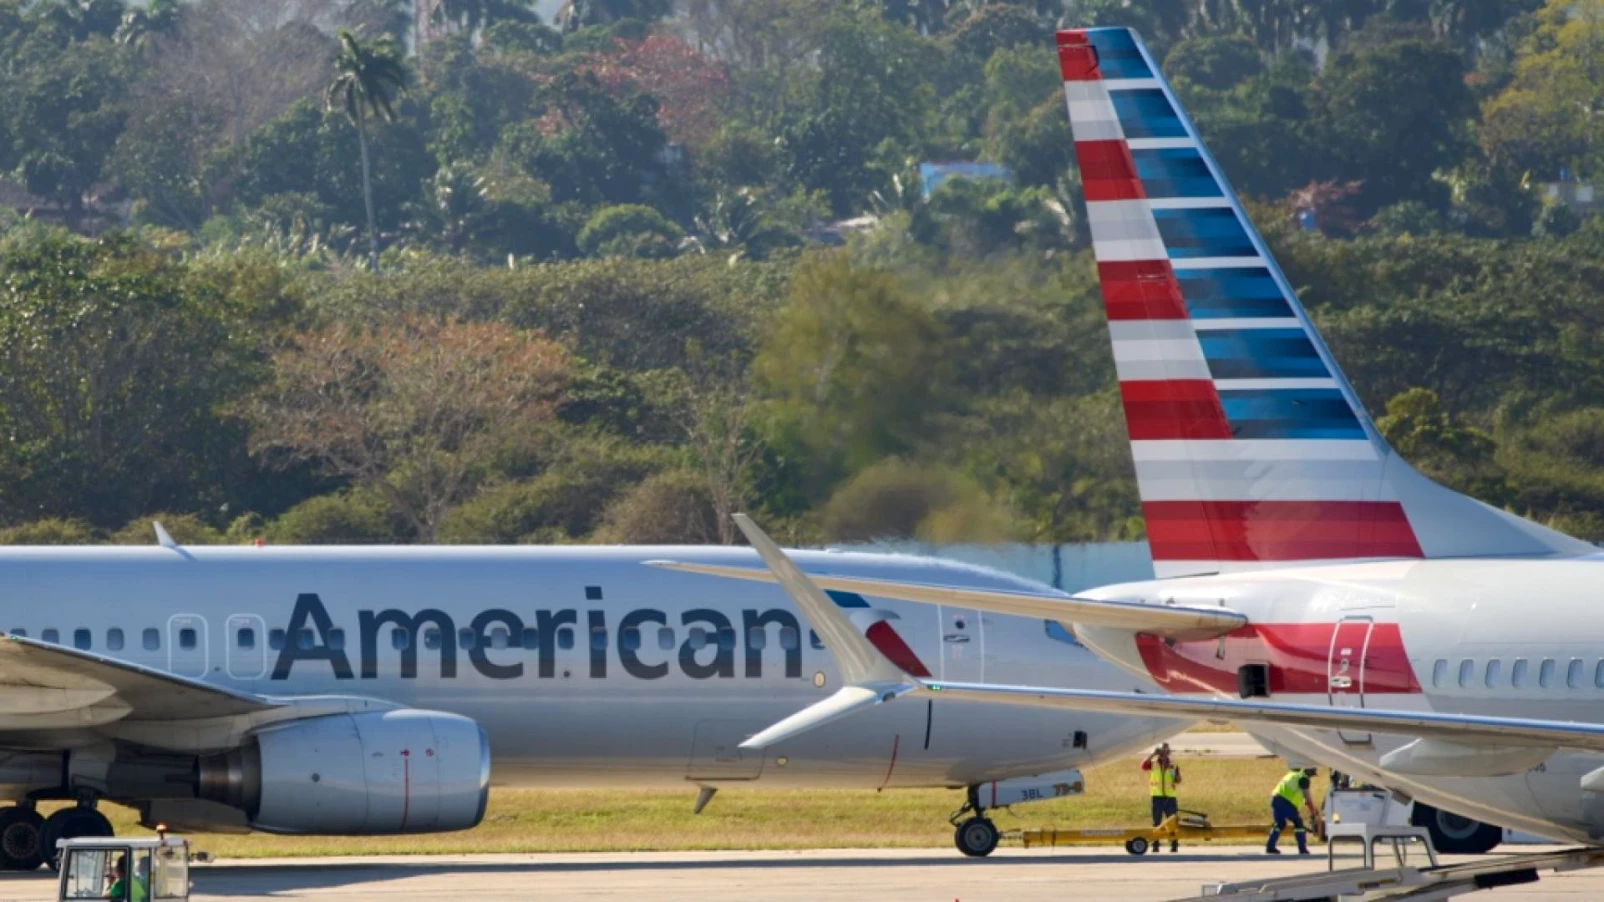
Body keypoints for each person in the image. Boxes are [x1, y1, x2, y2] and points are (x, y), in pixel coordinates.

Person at [1267, 766, 1321, 855]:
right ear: (1308, 772)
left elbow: (1300, 795)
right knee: (1298, 822)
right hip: (1285, 801)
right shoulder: (1303, 779)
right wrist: (1313, 812)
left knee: (1280, 824)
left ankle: (1270, 846)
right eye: (1311, 774)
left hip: (1275, 799)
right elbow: (1308, 799)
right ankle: (1302, 849)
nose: (1311, 777)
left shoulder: (1293, 774)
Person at [1141, 742, 1182, 852]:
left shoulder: (1173, 764)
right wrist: (1153, 754)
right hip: (1157, 796)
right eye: (1162, 750)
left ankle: (1174, 844)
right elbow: (1143, 766)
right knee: (1156, 822)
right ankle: (1155, 845)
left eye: (1166, 750)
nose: (1164, 752)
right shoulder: (1153, 763)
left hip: (1170, 796)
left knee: (1172, 823)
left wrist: (1177, 777)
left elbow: (1178, 779)